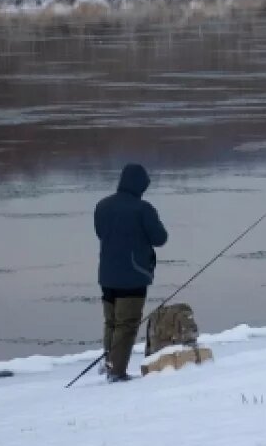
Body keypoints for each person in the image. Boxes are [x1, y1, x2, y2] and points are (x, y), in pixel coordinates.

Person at [93, 163, 169, 381]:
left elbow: (100, 233)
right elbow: (160, 238)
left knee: (112, 322)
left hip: (107, 275)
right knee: (126, 325)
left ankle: (109, 365)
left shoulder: (102, 205)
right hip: (133, 276)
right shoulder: (143, 209)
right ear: (139, 185)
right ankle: (116, 372)